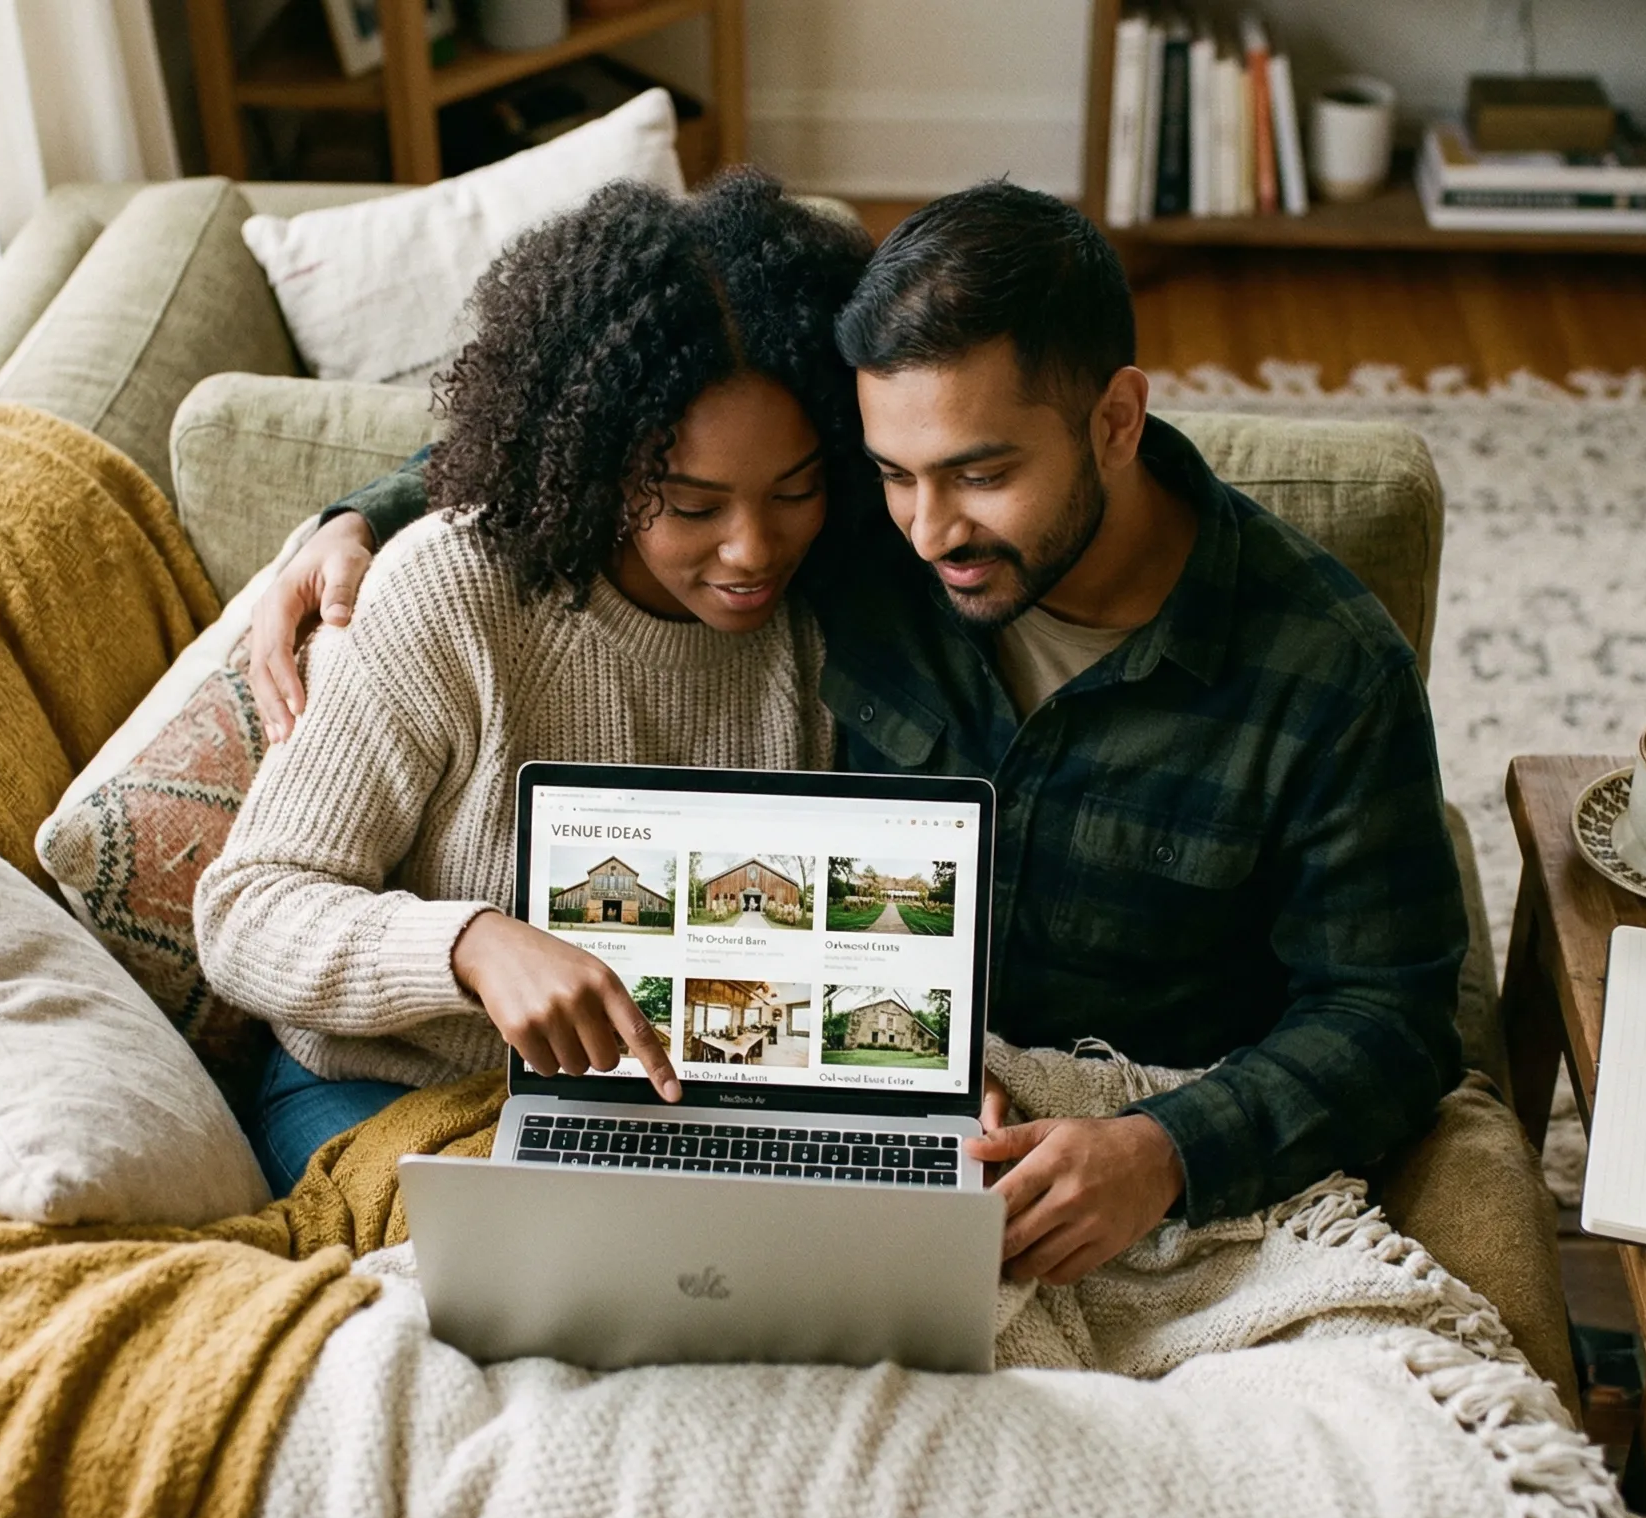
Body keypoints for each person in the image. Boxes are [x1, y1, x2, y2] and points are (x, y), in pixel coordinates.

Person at [251, 182, 1471, 1284]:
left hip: (1003, 1122)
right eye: (888, 471)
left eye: (980, 473)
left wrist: (1160, 1150)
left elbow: (1392, 1015)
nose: (931, 529)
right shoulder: (846, 538)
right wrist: (360, 517)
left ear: (1115, 420)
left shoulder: (1323, 668)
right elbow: (612, 422)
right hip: (541, 1091)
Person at [196, 170, 872, 1195]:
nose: (751, 551)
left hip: (681, 1105)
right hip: (396, 1090)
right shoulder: (450, 593)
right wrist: (468, 946)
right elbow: (244, 913)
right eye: (691, 507)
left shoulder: (833, 609)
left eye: (795, 490)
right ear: (595, 467)